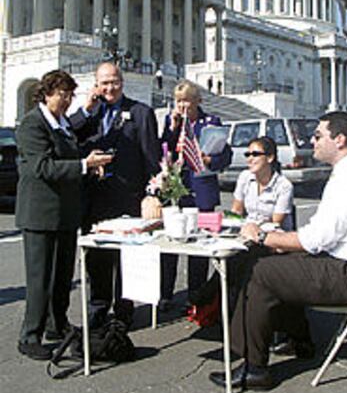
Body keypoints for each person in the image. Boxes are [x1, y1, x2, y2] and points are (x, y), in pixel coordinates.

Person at [209, 112, 347, 391]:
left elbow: (316, 239)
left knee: (261, 272)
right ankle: (299, 339)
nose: (313, 140)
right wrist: (277, 241)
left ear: (340, 139)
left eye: (319, 135)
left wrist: (263, 235)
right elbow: (323, 233)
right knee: (278, 259)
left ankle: (254, 366)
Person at [15, 70, 112, 361]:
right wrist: (84, 164)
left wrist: (89, 161)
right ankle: (30, 334)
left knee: (62, 276)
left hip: (66, 213)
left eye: (70, 95)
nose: (67, 100)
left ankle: (57, 325)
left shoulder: (62, 123)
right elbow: (42, 167)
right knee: (40, 278)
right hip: (40, 214)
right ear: (46, 94)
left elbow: (70, 154)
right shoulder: (33, 124)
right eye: (62, 94)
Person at [70, 62, 161, 328]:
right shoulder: (89, 114)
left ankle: (124, 311)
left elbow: (151, 158)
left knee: (127, 260)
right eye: (104, 83)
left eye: (114, 82)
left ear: (122, 82)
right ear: (96, 85)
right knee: (97, 261)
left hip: (128, 198)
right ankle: (98, 310)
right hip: (95, 199)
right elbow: (68, 135)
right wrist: (86, 108)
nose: (109, 88)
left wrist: (152, 193)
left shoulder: (141, 113)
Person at [192, 136, 293, 310]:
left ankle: (210, 296)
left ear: (270, 158)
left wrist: (253, 227)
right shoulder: (245, 177)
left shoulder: (284, 185)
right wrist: (226, 219)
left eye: (255, 154)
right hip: (246, 233)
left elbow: (276, 222)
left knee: (238, 259)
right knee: (226, 252)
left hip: (272, 238)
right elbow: (237, 210)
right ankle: (221, 302)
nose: (249, 159)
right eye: (247, 154)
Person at [160, 80, 232, 311]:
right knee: (170, 242)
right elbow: (163, 148)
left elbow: (225, 155)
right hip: (176, 189)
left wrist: (212, 160)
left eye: (186, 101)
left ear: (197, 101)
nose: (182, 106)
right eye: (178, 101)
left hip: (201, 191)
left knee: (198, 246)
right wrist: (172, 128)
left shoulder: (211, 123)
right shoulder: (171, 122)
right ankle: (165, 293)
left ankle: (196, 295)